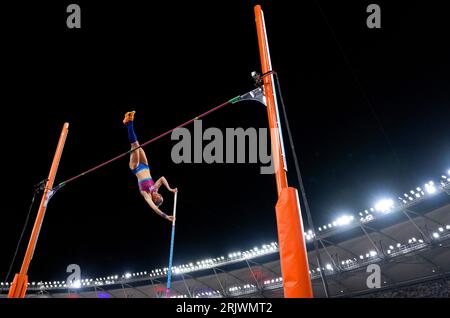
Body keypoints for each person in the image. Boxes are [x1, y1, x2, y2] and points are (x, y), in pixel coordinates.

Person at [123, 111, 177, 222]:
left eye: (157, 197)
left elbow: (153, 208)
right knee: (137, 145)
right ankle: (127, 123)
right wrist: (170, 189)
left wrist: (166, 216)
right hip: (145, 165)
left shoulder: (146, 194)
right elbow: (162, 178)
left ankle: (130, 121)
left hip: (136, 167)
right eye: (160, 195)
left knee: (135, 145)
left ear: (154, 200)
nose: (158, 194)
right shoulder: (155, 188)